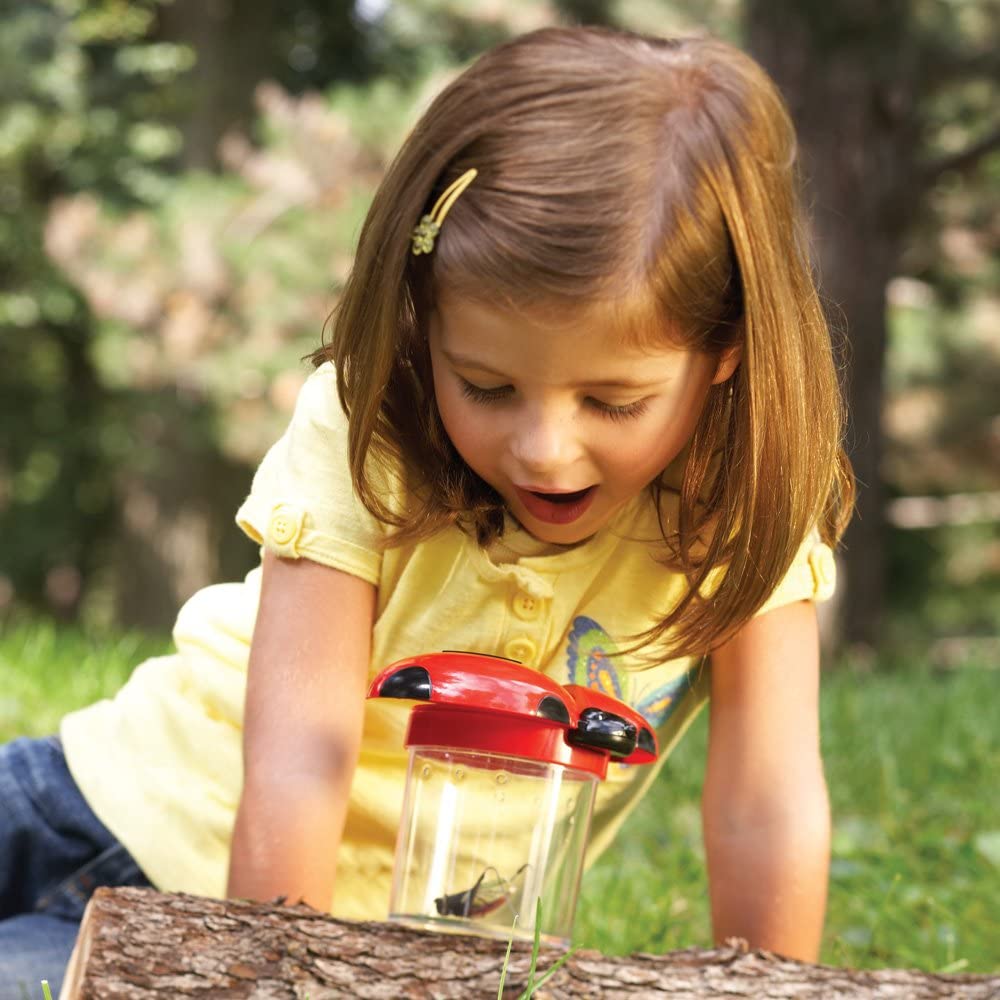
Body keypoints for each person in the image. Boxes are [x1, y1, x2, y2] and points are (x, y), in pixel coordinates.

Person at [0, 25, 854, 993]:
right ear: (423, 320)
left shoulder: (747, 499)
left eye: (612, 402)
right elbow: (303, 754)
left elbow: (765, 801)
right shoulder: (373, 422)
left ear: (727, 350)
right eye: (486, 385)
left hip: (281, 942)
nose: (543, 446)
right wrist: (266, 978)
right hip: (102, 804)